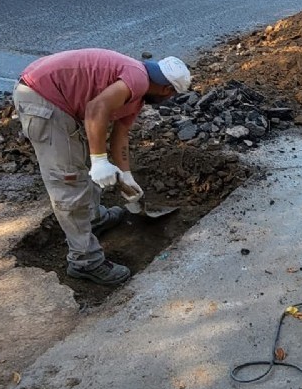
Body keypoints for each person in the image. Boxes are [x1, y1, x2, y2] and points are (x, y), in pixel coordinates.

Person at [12, 49, 191, 285]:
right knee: (68, 180)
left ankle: (93, 218)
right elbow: (96, 109)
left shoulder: (136, 93)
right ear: (168, 90)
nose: (167, 100)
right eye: (170, 96)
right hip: (42, 97)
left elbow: (121, 135)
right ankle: (85, 261)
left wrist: (126, 175)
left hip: (59, 98)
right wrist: (99, 161)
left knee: (82, 160)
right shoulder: (136, 79)